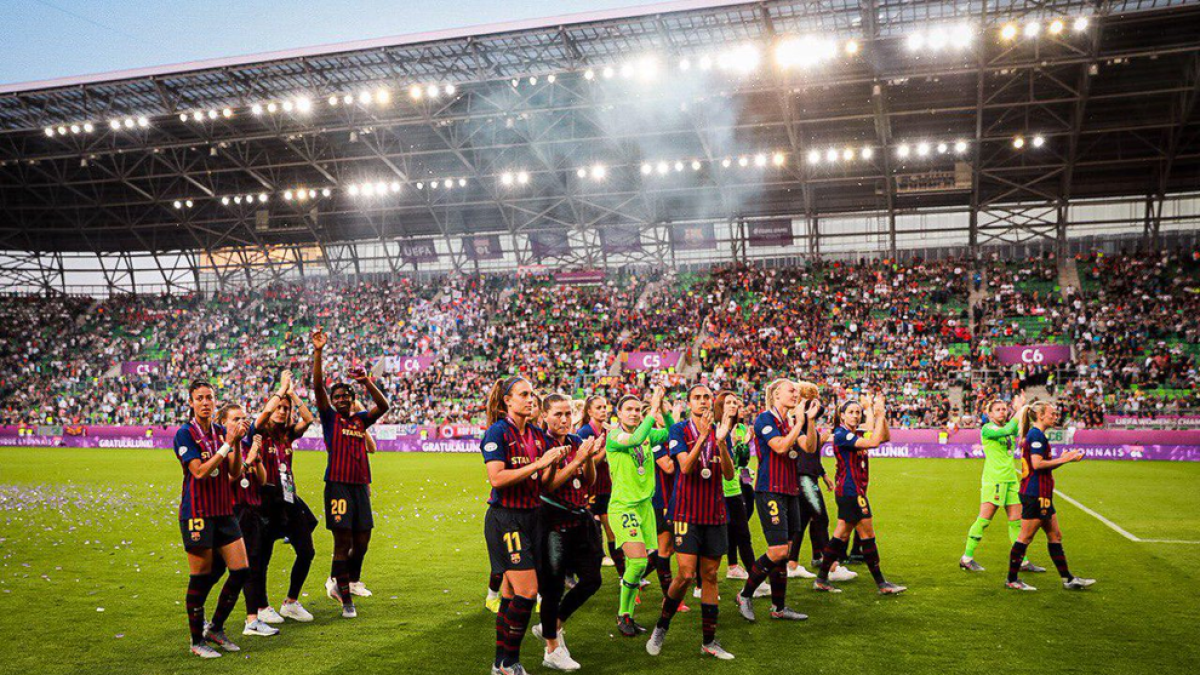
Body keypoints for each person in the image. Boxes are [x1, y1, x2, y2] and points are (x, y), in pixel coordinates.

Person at [481, 376, 567, 675]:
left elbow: (545, 483)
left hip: (533, 517)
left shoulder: (534, 433)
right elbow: (497, 479)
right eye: (524, 394)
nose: (531, 400)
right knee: (528, 592)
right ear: (507, 400)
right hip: (506, 519)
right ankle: (511, 663)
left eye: (532, 394)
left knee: (509, 596)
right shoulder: (498, 432)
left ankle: (500, 662)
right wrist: (537, 464)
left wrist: (560, 461)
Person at [647, 386, 738, 660]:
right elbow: (684, 467)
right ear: (688, 403)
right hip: (686, 512)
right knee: (686, 574)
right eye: (696, 398)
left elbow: (730, 474)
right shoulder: (679, 431)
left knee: (710, 575)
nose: (702, 401)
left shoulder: (722, 430)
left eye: (706, 397)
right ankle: (661, 626)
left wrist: (721, 442)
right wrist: (703, 437)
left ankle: (709, 641)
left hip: (714, 512)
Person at [311, 326, 390, 618]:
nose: (342, 399)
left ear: (352, 399)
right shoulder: (330, 418)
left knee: (363, 541)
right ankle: (345, 598)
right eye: (338, 397)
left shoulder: (359, 421)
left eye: (346, 396)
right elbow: (318, 386)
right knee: (343, 542)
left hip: (359, 488)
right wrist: (319, 352)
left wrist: (366, 381)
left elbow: (383, 405)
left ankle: (343, 580)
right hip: (338, 486)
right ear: (332, 402)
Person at [174, 380, 251, 658]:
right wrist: (226, 446)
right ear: (191, 403)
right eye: (200, 398)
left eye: (209, 398)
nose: (205, 402)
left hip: (223, 511)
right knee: (200, 576)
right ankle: (196, 641)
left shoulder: (221, 431)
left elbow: (234, 473)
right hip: (197, 513)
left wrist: (237, 444)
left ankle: (216, 627)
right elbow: (199, 472)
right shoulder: (185, 434)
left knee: (241, 569)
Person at [735, 379, 817, 622]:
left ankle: (778, 608)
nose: (796, 394)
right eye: (792, 390)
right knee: (778, 550)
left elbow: (809, 447)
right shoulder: (765, 419)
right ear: (776, 394)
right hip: (770, 490)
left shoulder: (789, 421)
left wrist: (809, 421)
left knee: (786, 551)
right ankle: (745, 594)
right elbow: (780, 447)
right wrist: (800, 422)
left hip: (790, 491)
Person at [533, 393, 602, 672]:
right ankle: (552, 649)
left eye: (567, 414)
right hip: (551, 520)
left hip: (578, 517)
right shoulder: (540, 443)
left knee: (592, 579)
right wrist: (577, 460)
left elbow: (590, 481)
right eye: (557, 414)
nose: (564, 419)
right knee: (552, 587)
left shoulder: (575, 441)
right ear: (545, 417)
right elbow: (547, 486)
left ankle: (553, 625)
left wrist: (589, 458)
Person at [813, 395, 906, 595]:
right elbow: (874, 443)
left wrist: (881, 416)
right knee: (867, 534)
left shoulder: (855, 432)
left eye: (858, 412)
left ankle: (821, 579)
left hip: (854, 491)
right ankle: (881, 584)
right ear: (842, 415)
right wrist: (879, 414)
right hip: (850, 491)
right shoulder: (841, 434)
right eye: (851, 412)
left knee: (841, 535)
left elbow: (885, 437)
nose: (855, 416)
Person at [606, 385, 674, 637]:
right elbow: (634, 439)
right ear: (619, 414)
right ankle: (623, 614)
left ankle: (628, 616)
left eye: (637, 409)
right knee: (636, 562)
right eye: (629, 410)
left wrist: (665, 411)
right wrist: (653, 408)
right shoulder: (614, 437)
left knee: (642, 562)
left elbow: (669, 433)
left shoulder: (648, 434)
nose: (634, 413)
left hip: (645, 506)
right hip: (624, 506)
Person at [1006, 401, 1095, 591]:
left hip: (1043, 493)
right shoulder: (1036, 434)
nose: (1055, 417)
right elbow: (1037, 464)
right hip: (1035, 493)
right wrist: (1066, 459)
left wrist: (1063, 459)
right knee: (1025, 537)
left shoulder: (1037, 434)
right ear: (1040, 415)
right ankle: (1012, 579)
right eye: (1052, 414)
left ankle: (1068, 579)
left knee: (1055, 535)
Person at [253, 370, 318, 623]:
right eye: (278, 407)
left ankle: (290, 602)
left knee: (307, 550)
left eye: (285, 408)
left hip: (289, 498)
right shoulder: (259, 431)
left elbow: (309, 418)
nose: (282, 411)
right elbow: (263, 417)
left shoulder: (288, 434)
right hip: (265, 500)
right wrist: (281, 389)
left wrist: (292, 394)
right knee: (263, 555)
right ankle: (261, 606)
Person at [959, 393, 1046, 574]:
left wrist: (1022, 410)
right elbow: (1009, 429)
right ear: (989, 414)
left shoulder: (1007, 427)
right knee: (984, 520)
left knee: (1016, 522)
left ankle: (1022, 561)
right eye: (998, 410)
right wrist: (1019, 408)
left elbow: (1020, 428)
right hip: (995, 480)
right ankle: (966, 558)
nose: (1002, 412)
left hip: (1011, 480)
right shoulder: (987, 429)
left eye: (1004, 409)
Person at [219, 404, 278, 638]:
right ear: (223, 422)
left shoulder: (246, 444)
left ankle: (252, 619)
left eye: (244, 417)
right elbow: (229, 479)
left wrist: (258, 459)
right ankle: (248, 620)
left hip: (252, 510)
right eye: (235, 418)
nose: (242, 422)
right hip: (234, 511)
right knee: (221, 569)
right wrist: (248, 460)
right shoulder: (224, 448)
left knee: (250, 565)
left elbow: (262, 481)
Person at [787, 383, 855, 582]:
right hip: (804, 477)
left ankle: (792, 563)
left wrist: (823, 475)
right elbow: (805, 454)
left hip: (806, 475)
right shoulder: (799, 422)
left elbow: (811, 454)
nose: (818, 401)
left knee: (802, 522)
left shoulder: (804, 422)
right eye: (813, 396)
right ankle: (831, 566)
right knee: (821, 518)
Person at [576, 396, 620, 575]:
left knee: (613, 532)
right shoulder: (585, 432)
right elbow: (588, 462)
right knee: (587, 536)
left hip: (605, 488)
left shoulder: (607, 431)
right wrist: (605, 447)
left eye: (605, 407)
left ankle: (623, 575)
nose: (604, 410)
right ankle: (578, 573)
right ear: (589, 411)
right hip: (589, 490)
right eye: (599, 407)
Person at [723, 411, 755, 581]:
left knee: (748, 506)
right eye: (730, 403)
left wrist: (747, 478)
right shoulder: (719, 429)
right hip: (725, 485)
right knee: (736, 528)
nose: (735, 407)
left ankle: (734, 566)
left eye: (736, 403)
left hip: (740, 478)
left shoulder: (742, 427)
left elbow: (742, 460)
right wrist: (735, 442)